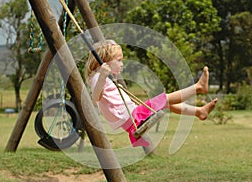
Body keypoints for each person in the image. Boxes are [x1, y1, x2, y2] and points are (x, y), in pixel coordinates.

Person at [85, 39, 218, 147]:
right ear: (105, 61)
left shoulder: (103, 77)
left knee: (166, 104)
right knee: (165, 99)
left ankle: (199, 112)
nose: (122, 64)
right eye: (119, 60)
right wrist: (102, 76)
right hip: (133, 116)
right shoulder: (98, 77)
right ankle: (198, 88)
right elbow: (96, 97)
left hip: (132, 117)